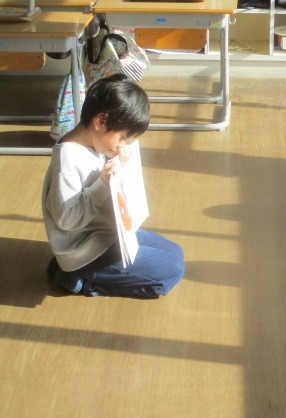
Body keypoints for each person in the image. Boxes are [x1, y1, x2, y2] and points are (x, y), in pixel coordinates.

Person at [42, 74, 185, 298]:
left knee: (175, 252)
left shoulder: (95, 143)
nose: (122, 144)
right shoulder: (67, 160)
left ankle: (85, 273)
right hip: (87, 252)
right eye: (122, 137)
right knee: (173, 269)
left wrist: (117, 164)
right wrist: (103, 183)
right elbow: (66, 219)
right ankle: (80, 281)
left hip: (107, 234)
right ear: (100, 121)